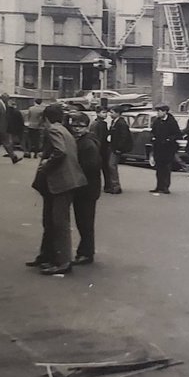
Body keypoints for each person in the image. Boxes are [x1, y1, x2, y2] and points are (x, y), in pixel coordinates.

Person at [28, 104, 86, 276]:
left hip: (61, 183)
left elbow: (60, 152)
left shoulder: (53, 130)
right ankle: (47, 256)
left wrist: (46, 164)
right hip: (63, 182)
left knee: (59, 223)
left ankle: (62, 262)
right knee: (51, 221)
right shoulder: (64, 130)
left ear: (45, 118)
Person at [69, 111, 102, 264]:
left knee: (85, 222)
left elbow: (91, 166)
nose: (76, 129)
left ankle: (86, 253)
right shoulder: (85, 140)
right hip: (86, 187)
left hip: (86, 188)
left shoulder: (88, 143)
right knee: (83, 221)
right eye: (74, 125)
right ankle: (85, 251)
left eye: (80, 126)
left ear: (86, 127)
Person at [149, 103, 181, 194]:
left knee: (166, 168)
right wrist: (152, 137)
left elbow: (177, 134)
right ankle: (159, 186)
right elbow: (152, 131)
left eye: (159, 111)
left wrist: (169, 139)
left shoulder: (171, 122)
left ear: (165, 112)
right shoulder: (157, 121)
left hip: (168, 148)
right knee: (158, 168)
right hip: (158, 147)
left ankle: (166, 187)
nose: (157, 113)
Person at [107, 109, 132, 193]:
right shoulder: (114, 122)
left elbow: (124, 137)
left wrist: (119, 148)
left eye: (112, 112)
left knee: (112, 165)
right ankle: (113, 185)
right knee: (111, 166)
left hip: (116, 148)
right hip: (113, 146)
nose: (110, 114)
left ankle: (116, 186)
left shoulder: (121, 123)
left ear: (118, 113)